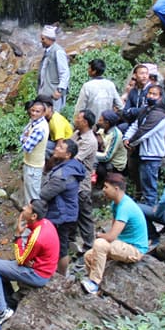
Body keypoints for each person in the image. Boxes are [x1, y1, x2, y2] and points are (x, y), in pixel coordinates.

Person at [0, 200, 59, 324]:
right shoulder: (46, 223)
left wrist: (18, 236)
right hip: (44, 267)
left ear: (34, 216)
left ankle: (1, 311)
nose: (24, 208)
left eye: (28, 208)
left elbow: (20, 259)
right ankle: (9, 303)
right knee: (2, 268)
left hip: (38, 274)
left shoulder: (37, 238)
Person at [80, 173, 149, 294]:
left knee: (100, 244)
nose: (103, 190)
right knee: (88, 256)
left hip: (135, 249)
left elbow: (111, 236)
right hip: (122, 243)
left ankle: (94, 283)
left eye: (106, 187)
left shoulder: (125, 207)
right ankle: (96, 288)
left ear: (116, 189)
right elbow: (114, 232)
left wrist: (99, 235)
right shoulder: (115, 204)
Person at [40, 139, 86, 274]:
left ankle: (60, 275)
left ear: (68, 155)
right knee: (60, 244)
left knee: (61, 247)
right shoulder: (71, 166)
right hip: (66, 212)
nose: (56, 148)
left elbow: (45, 193)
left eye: (60, 148)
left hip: (61, 215)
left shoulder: (63, 174)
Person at [123, 84, 165, 206]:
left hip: (151, 154)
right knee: (140, 183)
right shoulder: (146, 110)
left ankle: (150, 211)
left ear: (160, 97)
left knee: (149, 187)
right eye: (149, 93)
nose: (151, 96)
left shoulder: (159, 115)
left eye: (154, 94)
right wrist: (126, 138)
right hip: (141, 152)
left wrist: (131, 142)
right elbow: (135, 125)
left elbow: (144, 132)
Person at [71, 109, 98, 254]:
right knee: (72, 211)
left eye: (78, 118)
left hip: (82, 184)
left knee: (84, 215)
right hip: (72, 181)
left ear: (85, 122)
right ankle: (71, 240)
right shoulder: (77, 134)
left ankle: (89, 246)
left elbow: (73, 158)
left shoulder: (90, 141)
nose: (76, 119)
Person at [74, 59, 122, 123]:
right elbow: (120, 106)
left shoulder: (87, 86)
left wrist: (76, 121)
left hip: (91, 123)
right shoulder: (110, 84)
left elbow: (80, 107)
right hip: (106, 124)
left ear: (94, 71)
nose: (88, 70)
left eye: (89, 68)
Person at [20, 99, 49, 202]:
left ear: (43, 113)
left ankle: (34, 216)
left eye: (37, 111)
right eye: (32, 110)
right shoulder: (34, 122)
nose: (34, 113)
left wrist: (24, 138)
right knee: (29, 193)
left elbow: (26, 147)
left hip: (34, 167)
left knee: (32, 196)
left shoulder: (39, 128)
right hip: (31, 163)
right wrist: (25, 138)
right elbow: (23, 135)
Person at [37, 25, 70, 111]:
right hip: (45, 93)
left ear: (50, 39)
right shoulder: (47, 51)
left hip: (53, 93)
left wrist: (59, 90)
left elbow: (65, 72)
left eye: (43, 39)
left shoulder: (58, 51)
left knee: (53, 116)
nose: (41, 41)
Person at [95, 110, 127, 185]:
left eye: (100, 120)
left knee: (98, 168)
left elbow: (107, 157)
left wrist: (92, 153)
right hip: (103, 154)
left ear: (107, 123)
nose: (98, 121)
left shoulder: (115, 135)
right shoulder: (102, 129)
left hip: (115, 164)